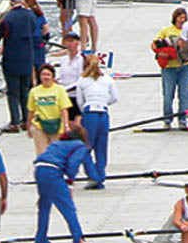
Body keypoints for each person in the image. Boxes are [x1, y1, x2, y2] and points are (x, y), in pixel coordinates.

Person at [32, 127, 98, 243]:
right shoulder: (79, 146)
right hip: (53, 171)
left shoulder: (57, 143)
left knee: (44, 205)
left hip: (39, 168)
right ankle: (78, 239)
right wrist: (70, 182)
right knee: (68, 207)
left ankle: (41, 238)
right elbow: (73, 164)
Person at [0, 0, 40, 133]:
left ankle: (15, 122)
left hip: (11, 58)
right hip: (27, 57)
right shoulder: (31, 15)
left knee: (13, 92)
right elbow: (33, 31)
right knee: (25, 90)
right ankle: (27, 121)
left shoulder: (7, 19)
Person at [76, 54, 119, 189]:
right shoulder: (107, 80)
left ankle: (93, 175)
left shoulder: (82, 81)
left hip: (90, 113)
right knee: (101, 148)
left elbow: (79, 101)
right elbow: (115, 98)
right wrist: (103, 103)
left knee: (85, 147)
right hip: (103, 113)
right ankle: (100, 176)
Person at [151, 7, 188, 129]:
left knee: (184, 94)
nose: (182, 20)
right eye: (180, 18)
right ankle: (167, 119)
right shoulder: (166, 31)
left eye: (184, 18)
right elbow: (154, 44)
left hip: (183, 66)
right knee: (168, 94)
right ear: (175, 18)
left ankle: (183, 119)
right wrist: (160, 52)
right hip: (169, 67)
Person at [26, 63, 73, 157]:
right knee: (41, 153)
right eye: (43, 75)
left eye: (48, 75)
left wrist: (66, 125)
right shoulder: (34, 91)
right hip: (40, 125)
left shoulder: (60, 90)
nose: (46, 77)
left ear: (53, 77)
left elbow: (64, 109)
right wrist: (29, 127)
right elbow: (31, 110)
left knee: (57, 152)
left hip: (57, 125)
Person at [54, 30, 85, 108]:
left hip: (76, 95)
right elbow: (61, 76)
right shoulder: (63, 59)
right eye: (67, 41)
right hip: (63, 95)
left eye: (71, 41)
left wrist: (66, 89)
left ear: (78, 43)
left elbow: (81, 80)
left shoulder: (82, 59)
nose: (69, 44)